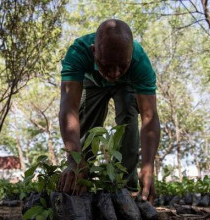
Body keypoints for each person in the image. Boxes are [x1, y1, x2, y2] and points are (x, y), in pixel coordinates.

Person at [58, 19, 160, 202]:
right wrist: (73, 159)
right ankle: (81, 179)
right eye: (108, 65)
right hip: (93, 82)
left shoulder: (140, 63)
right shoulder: (78, 52)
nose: (114, 73)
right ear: (93, 51)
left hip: (127, 85)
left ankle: (125, 187)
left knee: (129, 122)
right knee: (86, 123)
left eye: (122, 65)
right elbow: (68, 107)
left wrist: (148, 165)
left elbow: (149, 117)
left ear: (130, 57)